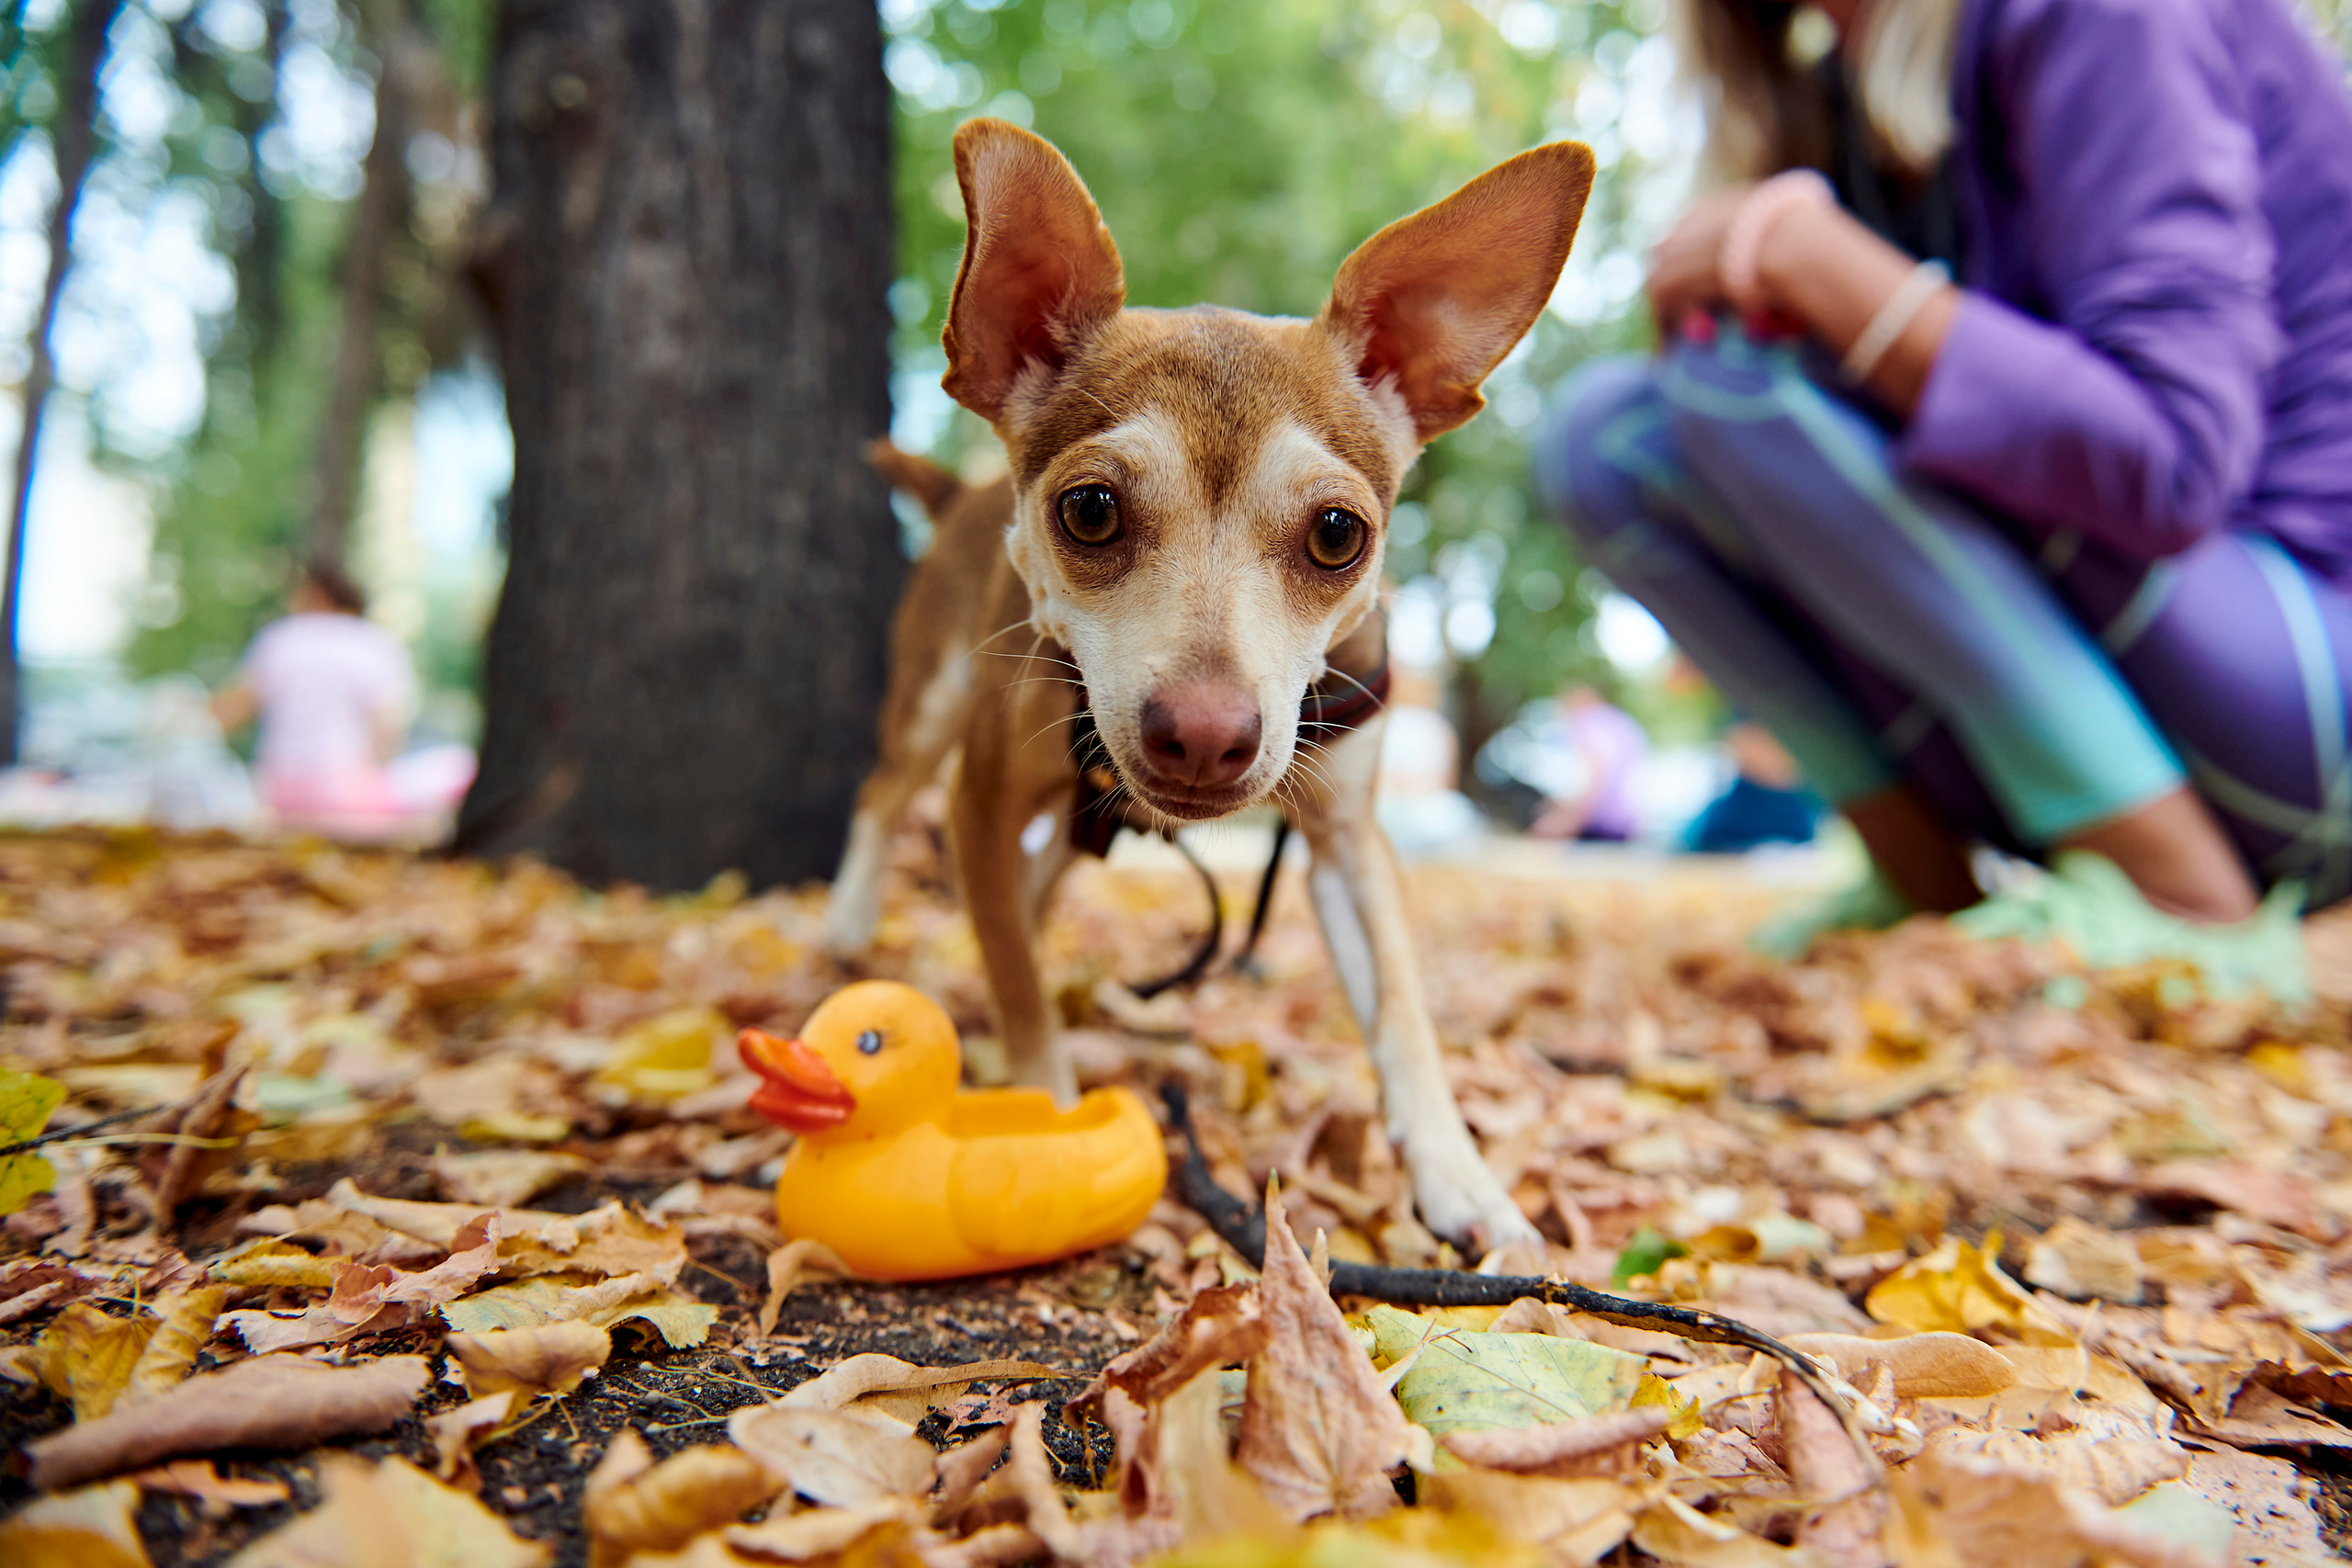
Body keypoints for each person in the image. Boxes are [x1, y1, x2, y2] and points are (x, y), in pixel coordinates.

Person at [1534, 0, 2352, 930]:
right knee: (1606, 440)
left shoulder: (2104, 18)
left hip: (2300, 672)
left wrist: (1805, 254)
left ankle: (2175, 900)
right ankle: (1924, 893)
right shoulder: (1836, 94)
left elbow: (2171, 466)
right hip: (2136, 696)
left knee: (1736, 378)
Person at [211, 560, 416, 840]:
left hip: (280, 792)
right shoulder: (375, 643)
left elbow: (237, 708)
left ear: (316, 594)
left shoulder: (280, 638)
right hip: (348, 794)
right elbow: (388, 727)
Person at [1528, 686, 1651, 842]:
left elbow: (1598, 771)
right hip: (1624, 823)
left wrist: (1569, 820)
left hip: (1597, 822)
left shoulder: (1589, 720)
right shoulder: (1622, 722)